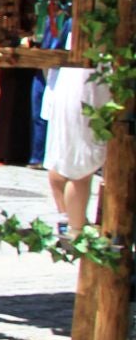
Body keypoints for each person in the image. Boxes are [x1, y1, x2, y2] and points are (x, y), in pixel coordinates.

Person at [42, 50, 107, 235]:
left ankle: (74, 226)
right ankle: (76, 229)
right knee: (79, 167)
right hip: (89, 82)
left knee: (71, 160)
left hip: (75, 77)